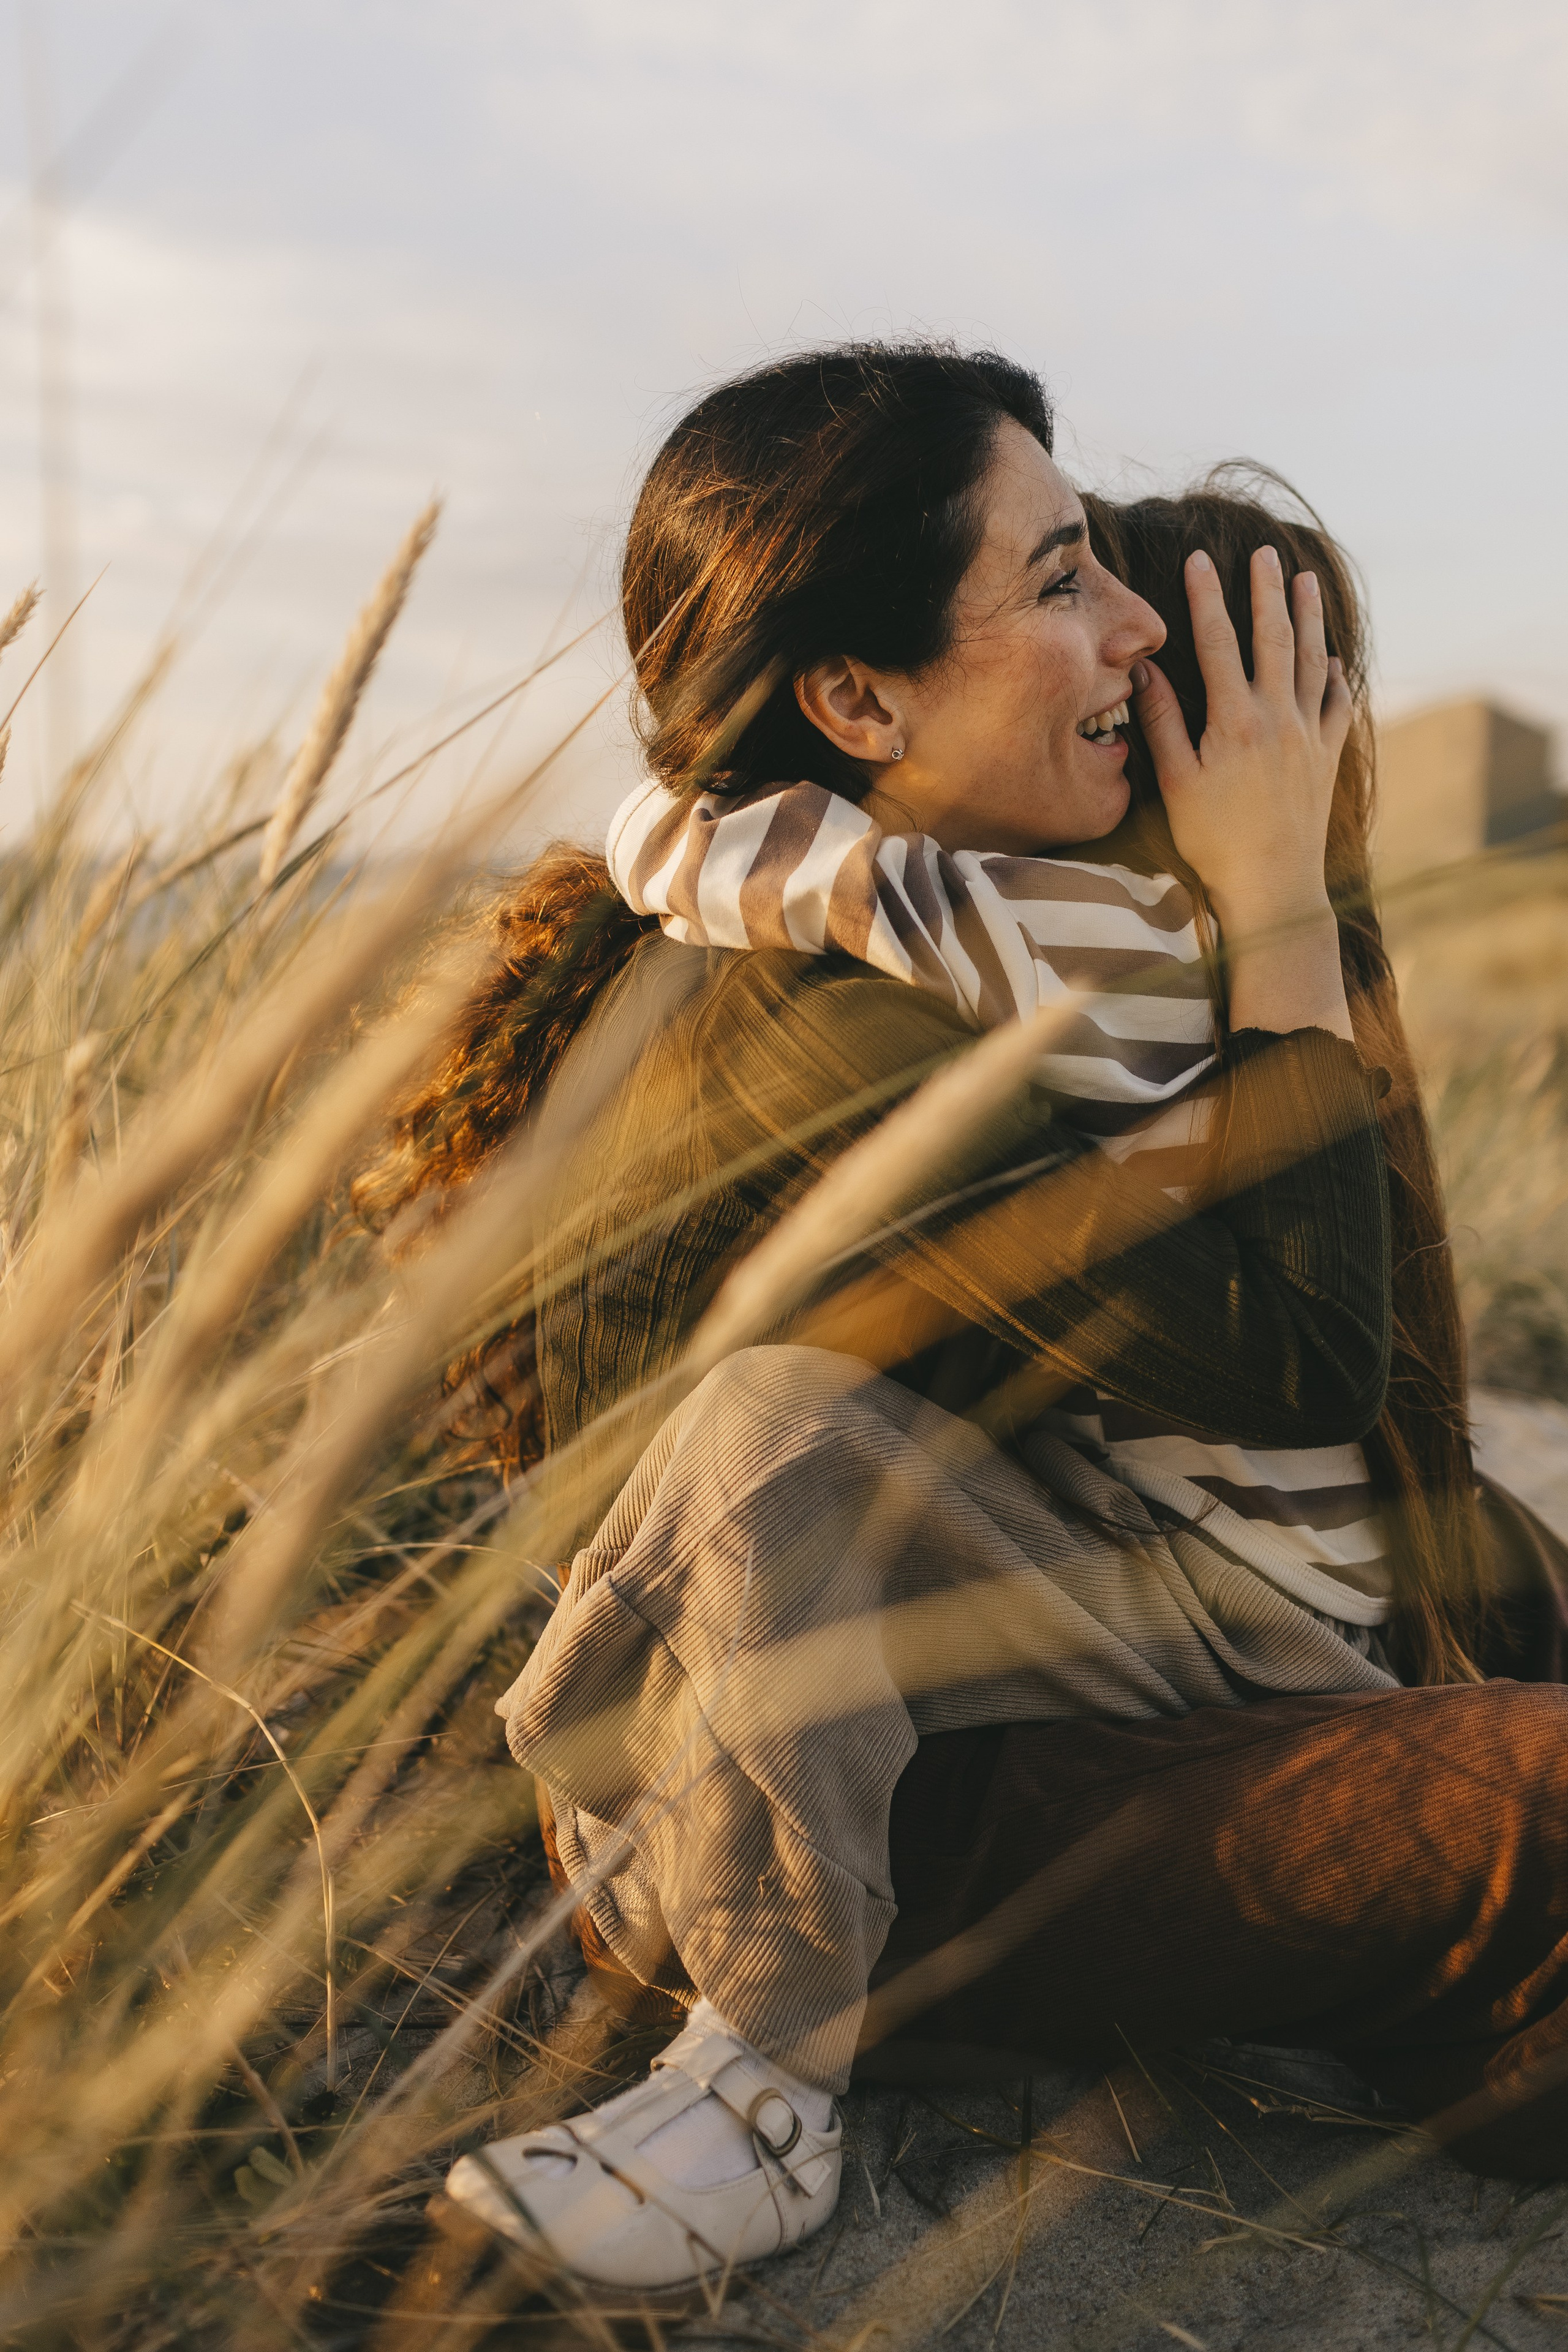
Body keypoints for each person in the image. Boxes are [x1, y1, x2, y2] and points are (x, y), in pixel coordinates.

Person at [353, 345, 1568, 2291]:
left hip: (1015, 1699)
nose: (1135, 640)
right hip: (851, 1823)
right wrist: (1279, 902)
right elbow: (1296, 1363)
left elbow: (1346, 1459)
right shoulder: (844, 1026)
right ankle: (758, 2080)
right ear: (857, 699)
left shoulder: (994, 958)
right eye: (1067, 582)